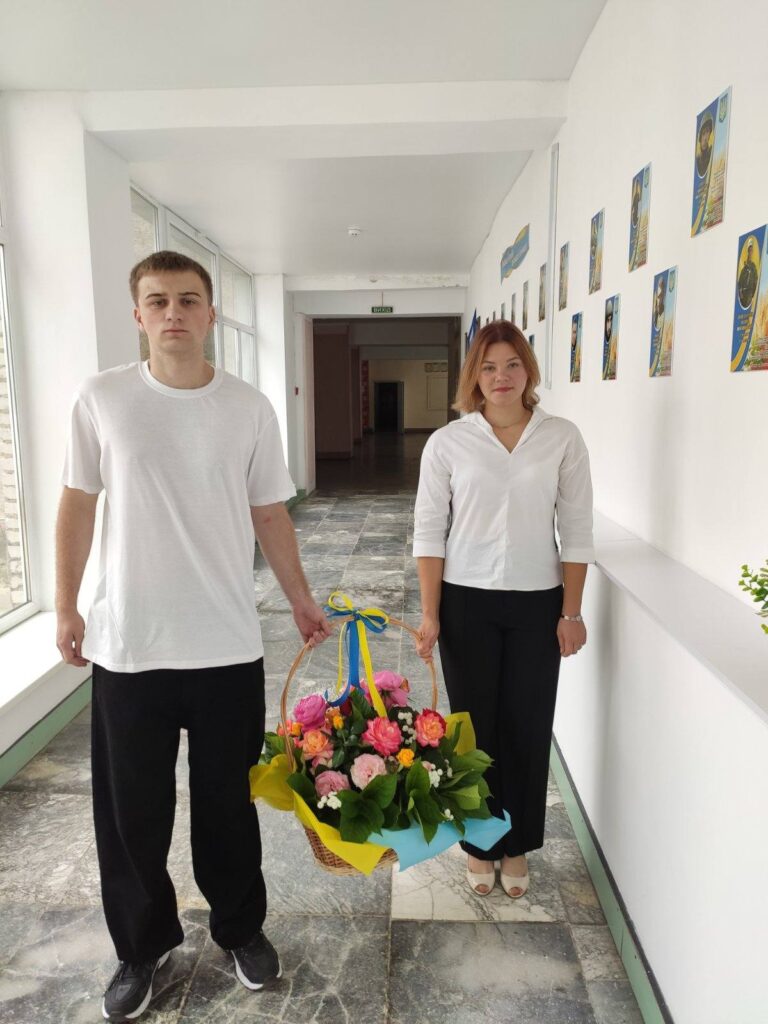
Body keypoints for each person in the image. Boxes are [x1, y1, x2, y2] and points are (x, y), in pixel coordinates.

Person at [55, 250, 331, 1022]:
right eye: (157, 300)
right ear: (138, 315)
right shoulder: (102, 398)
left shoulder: (248, 407)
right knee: (131, 814)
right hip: (129, 645)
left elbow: (269, 512)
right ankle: (141, 948)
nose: (173, 312)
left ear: (211, 314)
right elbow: (77, 501)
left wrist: (301, 601)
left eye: (187, 299)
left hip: (224, 644)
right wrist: (66, 605)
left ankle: (240, 929)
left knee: (228, 805)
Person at [412, 320, 594, 900]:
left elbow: (577, 530)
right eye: (488, 367)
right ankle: (479, 842)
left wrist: (571, 613)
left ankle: (516, 845)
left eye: (512, 364)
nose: (501, 377)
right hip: (466, 602)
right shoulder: (449, 443)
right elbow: (429, 533)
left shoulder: (561, 437)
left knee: (527, 725)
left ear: (528, 371)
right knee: (474, 730)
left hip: (539, 603)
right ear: (474, 375)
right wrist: (431, 614)